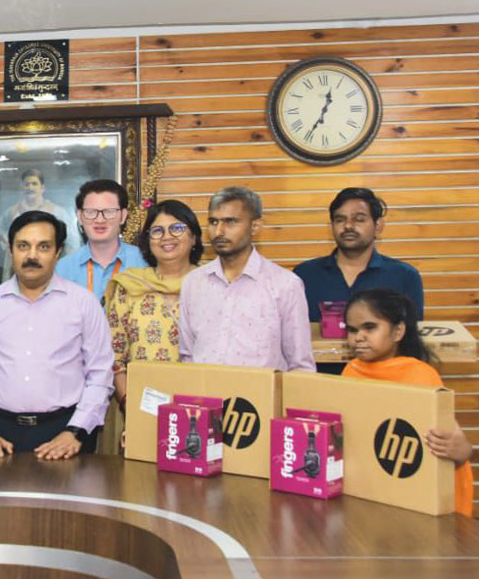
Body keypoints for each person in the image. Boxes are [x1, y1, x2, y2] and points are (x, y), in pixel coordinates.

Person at [0, 211, 114, 460]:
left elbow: (100, 374)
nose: (32, 256)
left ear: (58, 252)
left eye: (43, 246)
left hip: (66, 433)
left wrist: (75, 432)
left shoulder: (83, 303)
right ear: (10, 250)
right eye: (23, 246)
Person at [336, 288, 473, 517]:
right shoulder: (350, 371)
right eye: (352, 330)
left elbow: (451, 442)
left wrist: (462, 450)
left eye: (370, 327)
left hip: (418, 488)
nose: (358, 337)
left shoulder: (421, 375)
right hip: (373, 492)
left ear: (398, 331)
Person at [179, 186, 314, 372]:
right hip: (205, 397)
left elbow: (300, 366)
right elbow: (187, 357)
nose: (218, 231)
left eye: (230, 221)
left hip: (261, 399)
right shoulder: (194, 283)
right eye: (213, 221)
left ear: (255, 226)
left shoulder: (285, 285)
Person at [104, 200, 204, 451]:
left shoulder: (213, 286)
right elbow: (115, 359)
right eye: (157, 231)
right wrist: (132, 407)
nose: (166, 237)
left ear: (194, 237)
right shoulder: (129, 287)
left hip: (204, 409)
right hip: (144, 408)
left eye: (177, 229)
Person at [294, 188, 426, 374]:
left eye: (359, 219)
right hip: (320, 386)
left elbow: (411, 342)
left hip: (384, 386)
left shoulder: (404, 276)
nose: (348, 226)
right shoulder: (304, 275)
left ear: (378, 226)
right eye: (340, 219)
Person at [57, 179, 149, 298]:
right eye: (91, 212)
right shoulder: (62, 269)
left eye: (109, 212)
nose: (100, 220)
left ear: (123, 216)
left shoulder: (143, 262)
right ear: (80, 216)